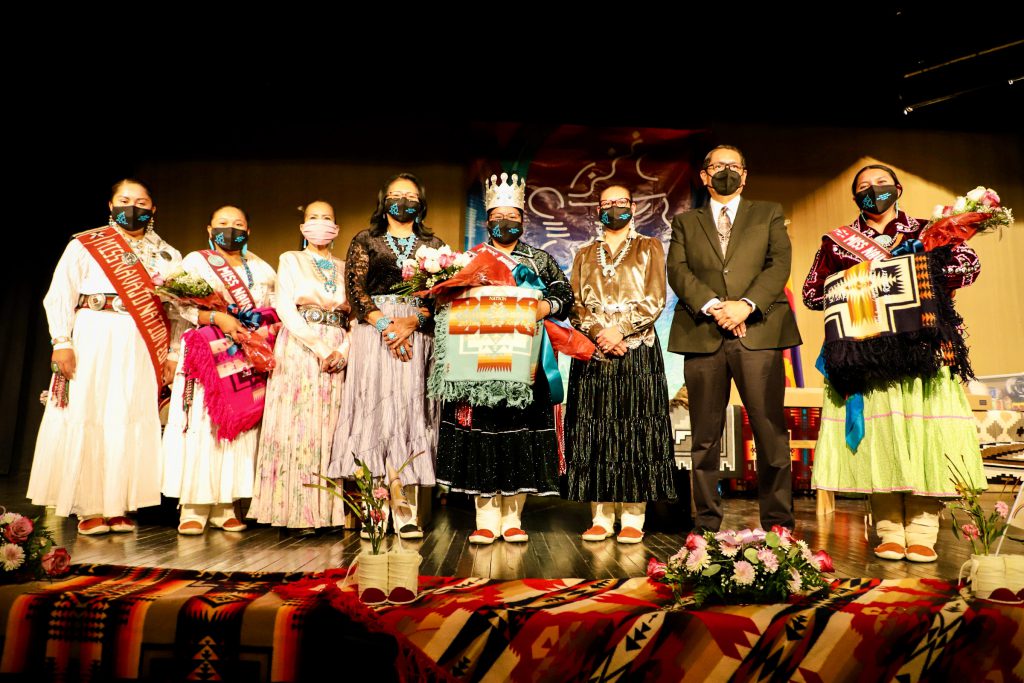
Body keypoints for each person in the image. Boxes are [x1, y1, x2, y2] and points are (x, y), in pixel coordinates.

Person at [803, 163, 984, 562]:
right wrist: (866, 277)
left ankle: (922, 529)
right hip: (869, 352)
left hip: (924, 347)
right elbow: (813, 294)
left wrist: (923, 263)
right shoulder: (837, 242)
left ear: (898, 188)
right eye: (864, 187)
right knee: (882, 438)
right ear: (855, 198)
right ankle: (887, 528)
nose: (874, 190)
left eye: (881, 183)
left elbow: (969, 266)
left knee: (924, 437)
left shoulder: (930, 229)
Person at [29, 179, 181, 535]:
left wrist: (173, 352)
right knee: (90, 412)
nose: (133, 207)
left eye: (141, 201)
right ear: (110, 205)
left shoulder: (168, 255)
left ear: (153, 209)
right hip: (94, 333)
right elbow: (60, 293)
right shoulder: (86, 244)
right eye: (124, 200)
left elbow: (176, 312)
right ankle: (88, 507)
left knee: (127, 415)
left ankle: (118, 505)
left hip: (141, 343)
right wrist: (61, 340)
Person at [667, 145, 801, 533]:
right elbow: (678, 270)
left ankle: (778, 524)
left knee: (770, 432)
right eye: (717, 166)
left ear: (746, 175)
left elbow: (779, 264)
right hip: (702, 334)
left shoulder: (768, 212)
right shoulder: (685, 222)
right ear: (704, 176)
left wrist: (746, 305)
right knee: (704, 438)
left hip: (758, 331)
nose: (725, 171)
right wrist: (713, 306)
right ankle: (706, 524)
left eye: (733, 166)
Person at [435, 172, 574, 545]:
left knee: (521, 435)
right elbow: (444, 301)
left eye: (513, 216)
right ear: (487, 221)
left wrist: (545, 304)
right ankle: (485, 517)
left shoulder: (539, 260)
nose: (505, 222)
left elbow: (566, 295)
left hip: (527, 364)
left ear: (523, 221)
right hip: (478, 364)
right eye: (498, 216)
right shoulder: (469, 260)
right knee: (485, 434)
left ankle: (513, 517)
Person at [328, 173, 444, 540]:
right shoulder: (365, 240)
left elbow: (439, 297)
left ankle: (405, 509)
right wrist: (387, 328)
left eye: (410, 196)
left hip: (416, 334)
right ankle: (373, 507)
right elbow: (357, 293)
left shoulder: (434, 244)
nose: (403, 201)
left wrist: (410, 323)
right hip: (374, 335)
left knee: (410, 415)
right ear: (383, 201)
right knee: (373, 413)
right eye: (395, 195)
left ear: (421, 203)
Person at [566, 184, 677, 543]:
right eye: (607, 203)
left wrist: (621, 331)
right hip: (594, 349)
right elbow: (575, 305)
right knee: (596, 429)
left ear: (633, 206)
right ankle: (599, 515)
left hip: (637, 347)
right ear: (597, 210)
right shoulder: (584, 252)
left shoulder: (649, 247)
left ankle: (632, 516)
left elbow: (656, 299)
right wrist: (599, 330)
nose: (614, 208)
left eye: (621, 202)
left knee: (635, 430)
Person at [162, 205, 277, 534]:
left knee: (234, 425)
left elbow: (273, 309)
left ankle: (225, 504)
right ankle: (194, 506)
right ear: (209, 229)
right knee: (201, 421)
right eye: (223, 224)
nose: (231, 229)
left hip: (242, 354)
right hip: (204, 353)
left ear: (248, 231)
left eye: (238, 224)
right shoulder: (196, 262)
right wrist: (216, 318)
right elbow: (178, 307)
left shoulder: (262, 268)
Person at [250, 201, 349, 535]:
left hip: (337, 346)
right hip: (302, 345)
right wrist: (319, 346)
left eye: (327, 218)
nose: (320, 224)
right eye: (313, 218)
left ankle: (329, 513)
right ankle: (296, 511)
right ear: (303, 226)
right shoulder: (291, 260)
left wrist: (343, 349)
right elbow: (285, 308)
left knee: (331, 427)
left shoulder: (344, 266)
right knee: (300, 425)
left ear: (336, 226)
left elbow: (355, 314)